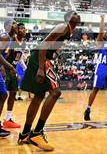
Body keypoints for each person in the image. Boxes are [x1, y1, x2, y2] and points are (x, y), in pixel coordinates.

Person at [18, 11, 80, 151]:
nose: (77, 13)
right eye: (74, 13)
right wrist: (41, 67)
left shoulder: (68, 31)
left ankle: (25, 134)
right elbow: (44, 45)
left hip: (42, 58)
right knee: (56, 92)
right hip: (40, 58)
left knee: (38, 97)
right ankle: (37, 132)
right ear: (69, 18)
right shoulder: (63, 27)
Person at [84, 10, 107, 121]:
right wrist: (102, 19)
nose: (104, 33)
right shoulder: (99, 42)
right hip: (101, 67)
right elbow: (100, 32)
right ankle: (88, 109)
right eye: (103, 33)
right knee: (96, 89)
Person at [2, 23, 28, 129]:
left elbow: (20, 58)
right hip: (6, 68)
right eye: (21, 28)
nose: (23, 30)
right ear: (17, 30)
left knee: (12, 93)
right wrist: (2, 68)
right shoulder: (12, 41)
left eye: (24, 28)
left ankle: (7, 119)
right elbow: (3, 55)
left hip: (13, 69)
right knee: (2, 95)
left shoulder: (23, 43)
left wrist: (25, 68)